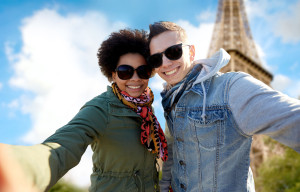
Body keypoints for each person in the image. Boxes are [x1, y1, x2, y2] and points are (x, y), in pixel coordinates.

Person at [0, 29, 168, 192]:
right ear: (113, 75)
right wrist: (17, 167)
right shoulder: (101, 109)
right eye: (125, 72)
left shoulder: (146, 110)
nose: (135, 78)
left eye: (143, 71)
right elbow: (62, 147)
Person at [147, 21, 300, 192]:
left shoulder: (230, 87)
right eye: (156, 58)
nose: (166, 63)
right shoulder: (171, 102)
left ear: (191, 52)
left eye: (173, 52)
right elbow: (172, 159)